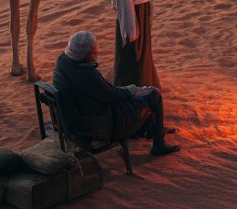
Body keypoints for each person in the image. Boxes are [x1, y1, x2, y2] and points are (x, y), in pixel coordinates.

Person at [52, 30, 180, 157]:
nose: (96, 54)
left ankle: (152, 127)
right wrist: (131, 90)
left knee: (138, 96)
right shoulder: (85, 74)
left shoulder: (63, 62)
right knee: (154, 95)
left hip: (77, 119)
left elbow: (103, 92)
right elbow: (110, 95)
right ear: (87, 54)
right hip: (95, 126)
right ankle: (159, 144)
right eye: (94, 52)